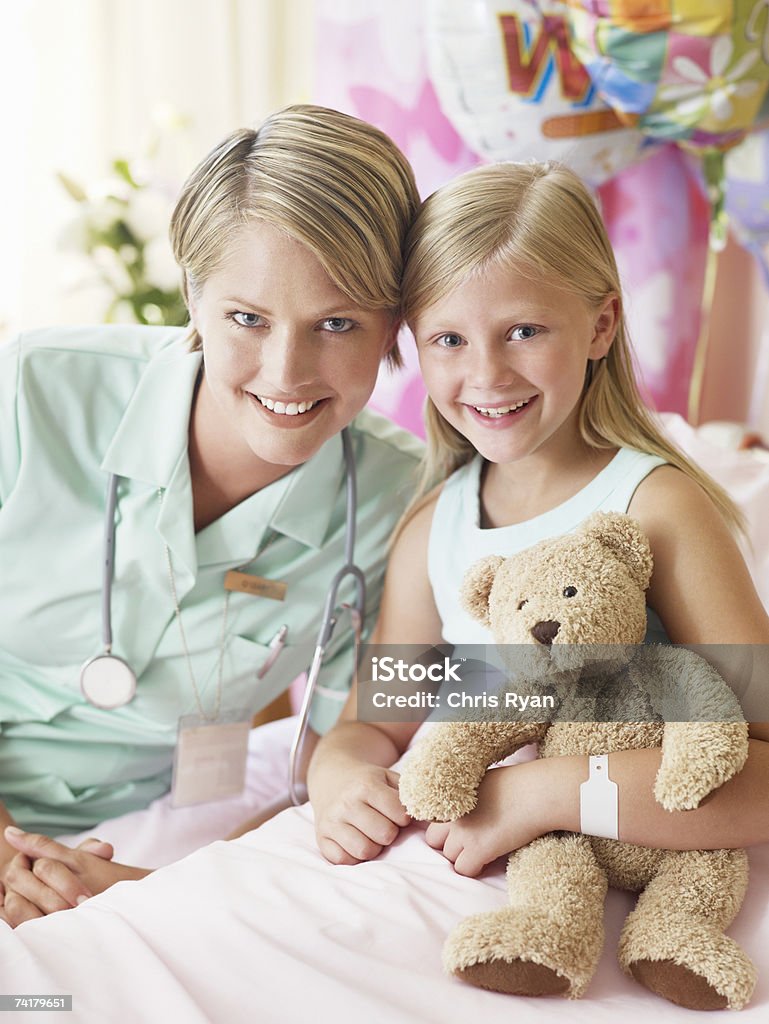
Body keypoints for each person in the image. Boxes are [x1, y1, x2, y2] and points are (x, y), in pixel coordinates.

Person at [0, 104, 423, 926]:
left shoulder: (393, 497)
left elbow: (343, 749)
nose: (286, 370)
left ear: (392, 326)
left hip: (139, 838)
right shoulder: (29, 390)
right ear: (193, 293)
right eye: (247, 319)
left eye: (337, 324)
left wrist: (155, 890)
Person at [308, 160, 769, 877]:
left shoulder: (657, 509)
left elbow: (762, 769)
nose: (487, 375)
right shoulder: (435, 528)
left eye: (523, 330)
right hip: (455, 873)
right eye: (448, 340)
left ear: (600, 325)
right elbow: (371, 723)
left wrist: (539, 794)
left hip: (627, 875)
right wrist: (340, 779)